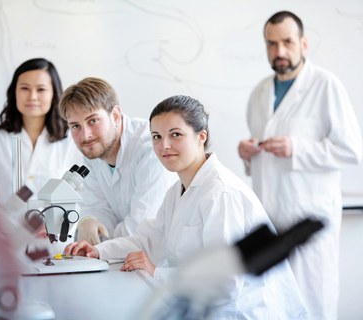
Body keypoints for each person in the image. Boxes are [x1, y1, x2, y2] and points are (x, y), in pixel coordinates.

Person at [65, 95, 306, 318]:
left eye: (176, 134)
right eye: (157, 137)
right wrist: (100, 252)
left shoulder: (220, 193)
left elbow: (225, 283)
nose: (164, 146)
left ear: (201, 136)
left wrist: (155, 272)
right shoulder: (178, 190)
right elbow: (148, 239)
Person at [237, 11, 362, 320]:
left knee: (313, 306)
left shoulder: (325, 86)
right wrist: (248, 154)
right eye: (272, 44)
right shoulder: (258, 93)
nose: (280, 52)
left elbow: (352, 151)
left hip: (309, 223)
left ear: (303, 44)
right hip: (268, 222)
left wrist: (297, 148)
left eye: (288, 42)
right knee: (273, 307)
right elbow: (264, 160)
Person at [58, 77, 176, 244]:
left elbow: (141, 228)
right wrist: (90, 221)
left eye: (93, 121)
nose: (85, 135)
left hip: (161, 259)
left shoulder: (150, 149)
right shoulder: (93, 152)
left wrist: (102, 243)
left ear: (115, 115)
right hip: (124, 255)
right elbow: (97, 209)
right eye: (76, 126)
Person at [0, 58, 82, 212]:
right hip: (4, 234)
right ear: (14, 92)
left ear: (54, 94)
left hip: (54, 234)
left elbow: (81, 197)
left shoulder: (71, 140)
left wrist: (51, 225)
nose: (32, 96)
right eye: (25, 88)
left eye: (41, 89)